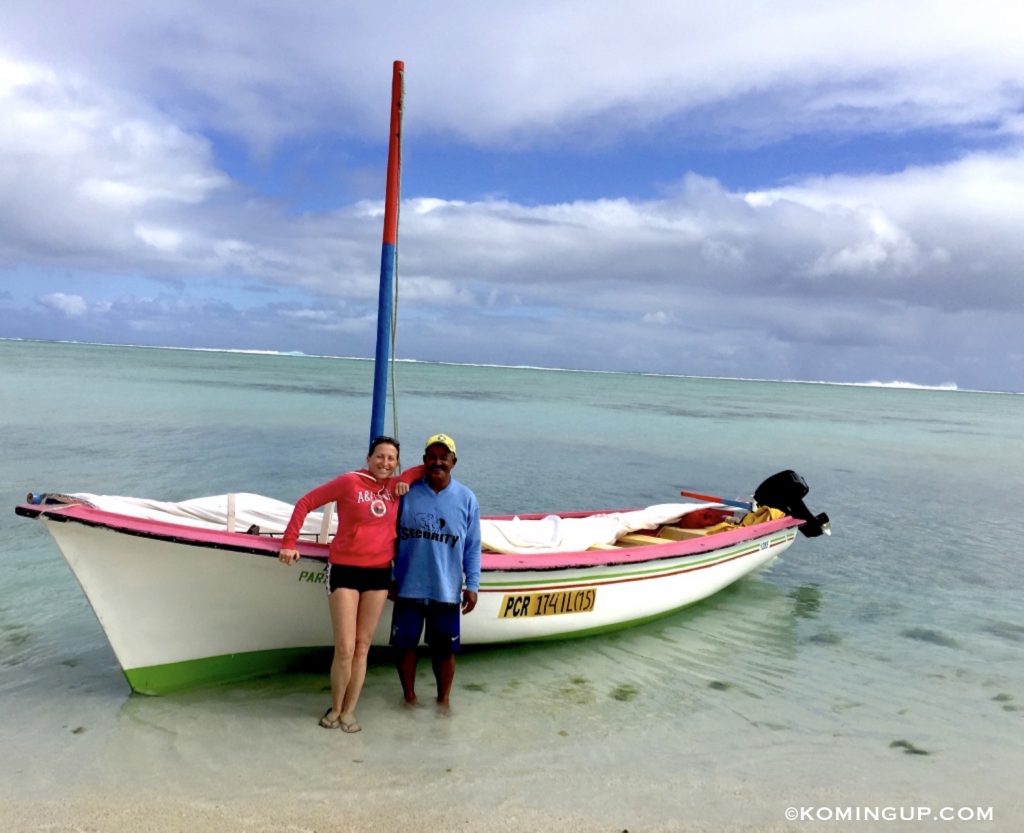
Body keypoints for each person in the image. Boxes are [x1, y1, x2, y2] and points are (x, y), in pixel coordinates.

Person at [279, 436, 422, 733]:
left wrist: (406, 479)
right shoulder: (349, 482)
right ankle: (335, 706)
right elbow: (306, 502)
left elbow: (425, 468)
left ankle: (350, 711)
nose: (385, 463)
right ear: (368, 458)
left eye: (391, 458)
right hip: (344, 570)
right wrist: (289, 542)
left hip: (379, 574)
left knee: (362, 647)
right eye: (380, 456)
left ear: (397, 463)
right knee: (344, 647)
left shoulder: (397, 487)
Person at [390, 433, 481, 713]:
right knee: (405, 646)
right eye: (432, 456)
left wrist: (473, 584)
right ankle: (409, 699)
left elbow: (473, 545)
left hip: (446, 589)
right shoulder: (407, 493)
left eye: (444, 457)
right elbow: (388, 536)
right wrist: (389, 576)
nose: (438, 461)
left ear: (454, 462)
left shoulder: (467, 499)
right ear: (424, 461)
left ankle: (443, 703)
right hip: (407, 585)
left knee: (444, 651)